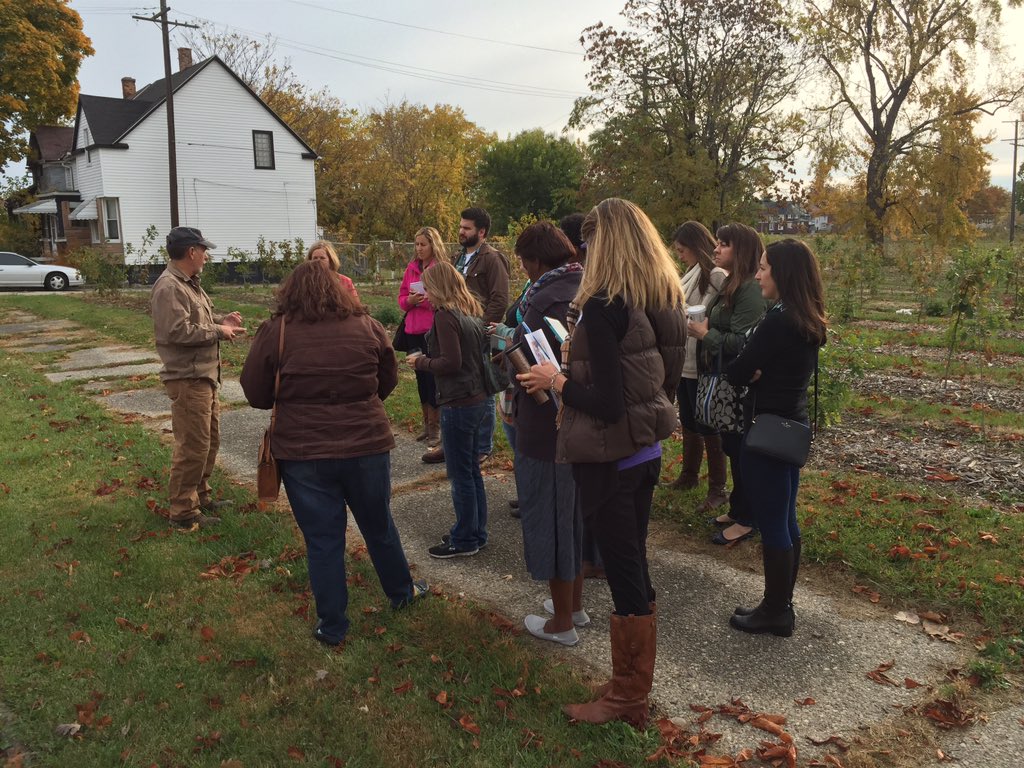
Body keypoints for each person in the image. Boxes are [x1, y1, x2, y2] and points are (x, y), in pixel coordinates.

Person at [519, 198, 686, 728]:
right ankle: (628, 684)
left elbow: (608, 404)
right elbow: (660, 383)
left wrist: (557, 380)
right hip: (646, 451)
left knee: (624, 571)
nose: (584, 256)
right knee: (632, 563)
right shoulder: (658, 297)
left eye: (589, 246)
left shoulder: (604, 307)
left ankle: (629, 699)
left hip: (611, 459)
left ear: (604, 245)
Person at [240, 261, 427, 647]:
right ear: (337, 289)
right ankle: (402, 594)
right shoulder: (367, 325)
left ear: (289, 292)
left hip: (304, 451)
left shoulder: (278, 331)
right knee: (379, 524)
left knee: (324, 539)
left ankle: (333, 625)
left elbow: (255, 393)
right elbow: (386, 379)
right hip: (367, 444)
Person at [726, 239, 827, 637]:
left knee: (773, 521)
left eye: (764, 267)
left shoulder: (777, 321)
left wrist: (753, 371)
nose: (757, 274)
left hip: (766, 431)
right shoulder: (806, 318)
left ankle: (775, 611)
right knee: (786, 518)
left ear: (782, 272)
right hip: (791, 428)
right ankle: (780, 605)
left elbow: (738, 370)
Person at [506, 222, 585, 646]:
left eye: (523, 260)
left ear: (534, 261)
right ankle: (573, 605)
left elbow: (528, 364)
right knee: (572, 515)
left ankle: (562, 625)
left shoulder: (542, 299)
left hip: (543, 422)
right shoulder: (585, 286)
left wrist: (506, 349)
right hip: (579, 420)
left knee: (548, 516)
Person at [151, 226, 244, 528]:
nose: (207, 255)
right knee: (192, 446)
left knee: (208, 442)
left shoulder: (190, 283)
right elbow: (177, 331)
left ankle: (201, 495)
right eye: (204, 250)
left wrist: (221, 321)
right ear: (191, 251)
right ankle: (183, 512)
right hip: (188, 378)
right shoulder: (169, 287)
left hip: (204, 376)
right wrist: (219, 331)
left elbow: (196, 321)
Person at [687, 223, 767, 546]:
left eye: (724, 244)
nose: (716, 249)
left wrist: (707, 335)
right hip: (725, 380)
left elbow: (743, 342)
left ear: (742, 250)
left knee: (741, 448)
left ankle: (749, 518)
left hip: (738, 385)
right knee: (732, 446)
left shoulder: (748, 289)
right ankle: (738, 508)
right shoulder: (732, 283)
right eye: (717, 242)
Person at [408, 261, 490, 558]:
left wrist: (421, 362)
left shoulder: (445, 316)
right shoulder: (469, 312)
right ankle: (476, 530)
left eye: (427, 287)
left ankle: (465, 538)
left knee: (460, 475)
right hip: (477, 398)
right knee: (472, 471)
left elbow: (450, 363)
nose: (425, 294)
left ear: (439, 287)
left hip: (458, 402)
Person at [665, 221, 728, 510]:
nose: (679, 255)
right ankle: (689, 474)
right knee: (689, 419)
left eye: (682, 249)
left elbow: (709, 312)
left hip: (701, 359)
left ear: (695, 246)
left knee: (707, 422)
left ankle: (718, 488)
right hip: (685, 358)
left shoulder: (715, 275)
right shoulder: (690, 273)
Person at [454, 207, 510, 463]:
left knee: (484, 385)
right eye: (461, 226)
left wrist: (480, 328)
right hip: (458, 331)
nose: (461, 231)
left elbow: (499, 299)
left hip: (480, 332)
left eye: (467, 228)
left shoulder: (492, 259)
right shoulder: (459, 258)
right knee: (463, 384)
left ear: (482, 232)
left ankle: (483, 446)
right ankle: (460, 441)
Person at [398, 226, 445, 460]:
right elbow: (401, 299)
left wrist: (424, 300)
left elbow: (445, 299)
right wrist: (410, 300)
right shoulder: (411, 268)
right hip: (413, 330)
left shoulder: (439, 269)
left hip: (431, 330)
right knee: (419, 378)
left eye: (423, 245)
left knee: (432, 378)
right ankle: (426, 424)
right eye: (416, 244)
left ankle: (436, 427)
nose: (419, 249)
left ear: (433, 245)